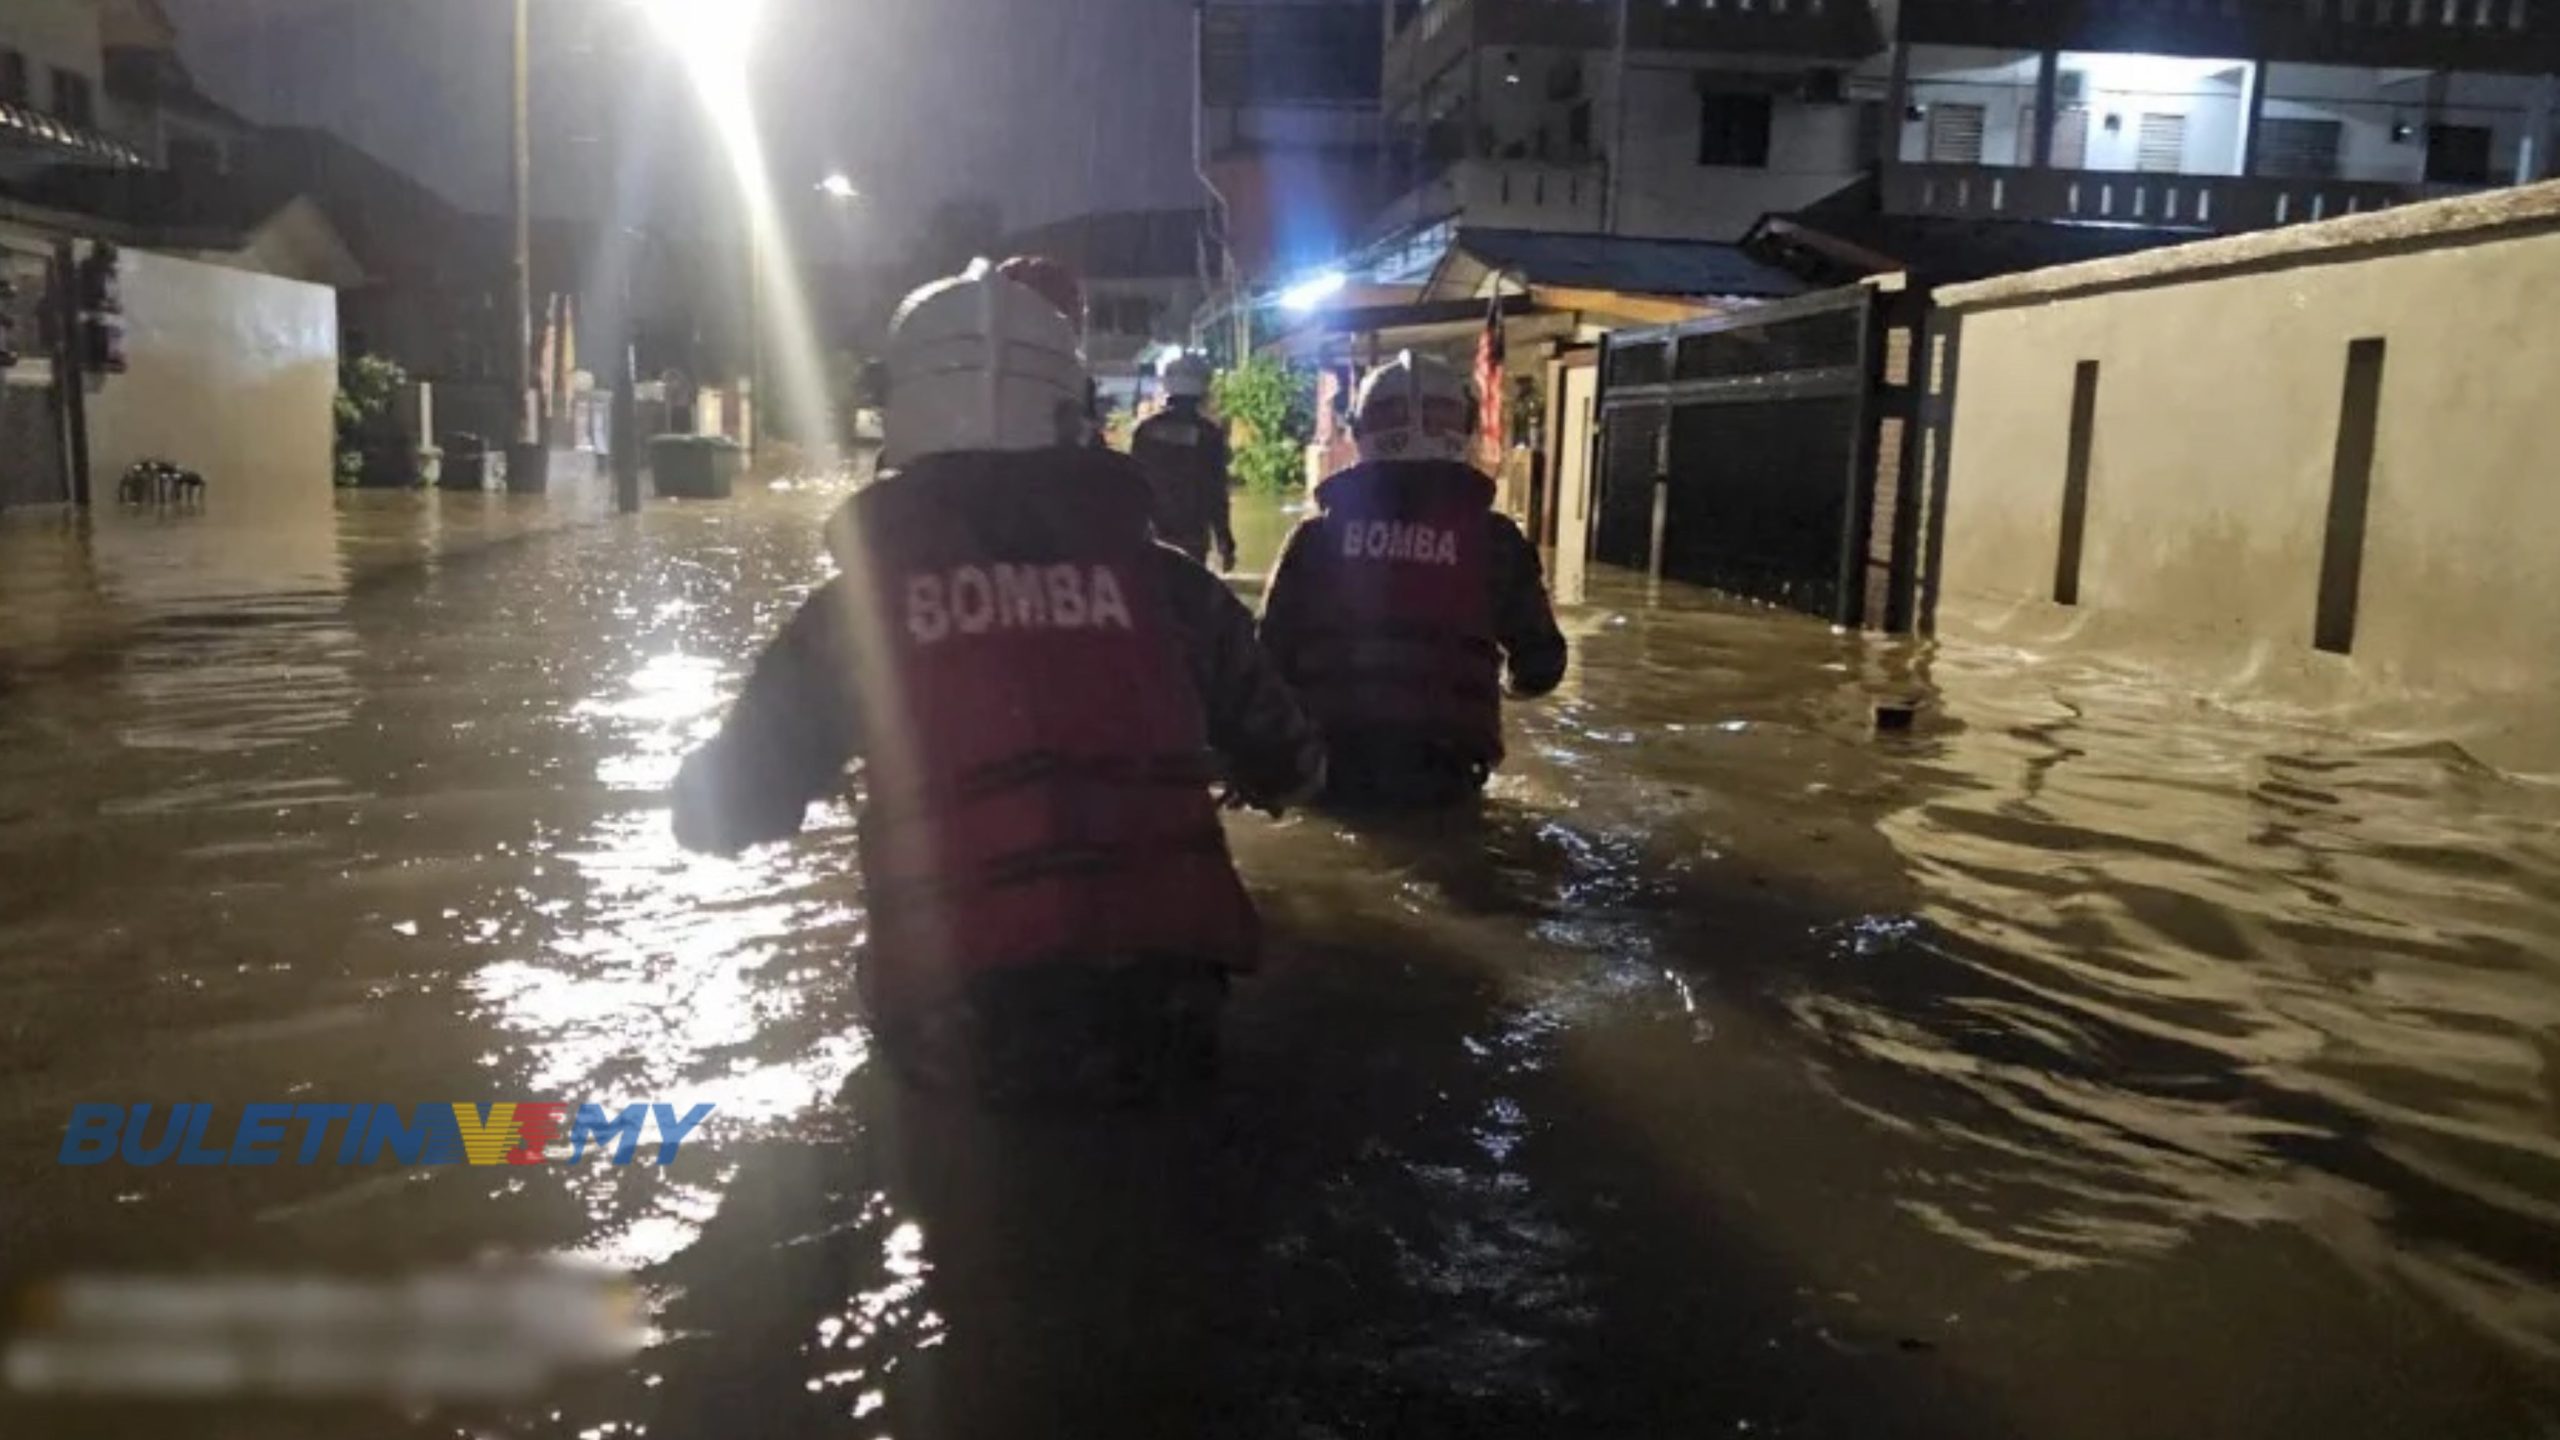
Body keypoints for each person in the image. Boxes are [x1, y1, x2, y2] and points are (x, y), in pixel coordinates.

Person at [672, 271, 1325, 1105]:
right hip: (1164, 1021)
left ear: (897, 414)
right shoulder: (1176, 591)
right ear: (1076, 415)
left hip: (962, 1038)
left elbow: (719, 812)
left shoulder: (851, 621)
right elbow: (1297, 766)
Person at [1258, 351, 1567, 810]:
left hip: (1332, 764)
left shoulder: (1314, 539)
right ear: (1463, 431)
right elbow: (1540, 667)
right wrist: (1490, 689)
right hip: (1446, 769)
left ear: (1361, 431)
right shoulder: (1496, 541)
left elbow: (1264, 659)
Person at [1129, 353, 1237, 571]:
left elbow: (1132, 483)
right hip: (1192, 538)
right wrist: (1225, 542)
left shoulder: (1145, 431)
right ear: (1204, 388)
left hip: (1151, 535)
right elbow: (1215, 491)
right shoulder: (1209, 434)